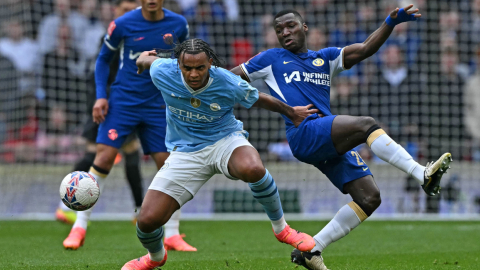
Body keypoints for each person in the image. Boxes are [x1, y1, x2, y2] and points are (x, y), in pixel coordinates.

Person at [230, 6, 452, 269]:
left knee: (369, 198)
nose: (285, 32)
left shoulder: (325, 58)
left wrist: (390, 22)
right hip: (304, 133)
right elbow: (228, 80)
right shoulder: (271, 58)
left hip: (326, 137)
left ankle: (311, 249)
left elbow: (366, 48)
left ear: (305, 27)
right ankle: (422, 174)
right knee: (365, 125)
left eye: (290, 26)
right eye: (279, 30)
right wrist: (283, 109)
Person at [121, 38, 317, 270]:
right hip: (185, 152)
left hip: (225, 140)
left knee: (253, 168)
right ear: (178, 66)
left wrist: (291, 112)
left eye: (200, 68)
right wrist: (144, 59)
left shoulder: (227, 81)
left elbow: (259, 99)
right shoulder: (163, 71)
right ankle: (155, 257)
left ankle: (282, 229)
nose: (194, 74)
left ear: (210, 63)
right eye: (188, 68)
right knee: (146, 221)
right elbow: (146, 60)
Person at [62, 0, 196, 252]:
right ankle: (78, 228)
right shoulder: (122, 24)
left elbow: (184, 59)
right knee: (104, 157)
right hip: (124, 101)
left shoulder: (178, 24)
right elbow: (103, 60)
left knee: (168, 165)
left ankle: (172, 233)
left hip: (158, 103)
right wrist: (101, 96)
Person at [55, 0, 143, 226]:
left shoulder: (134, 35)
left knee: (117, 154)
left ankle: (66, 206)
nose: (129, 14)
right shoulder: (115, 37)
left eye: (133, 10)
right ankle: (139, 210)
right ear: (116, 11)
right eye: (125, 9)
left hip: (120, 102)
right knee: (114, 154)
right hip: (107, 103)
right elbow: (101, 72)